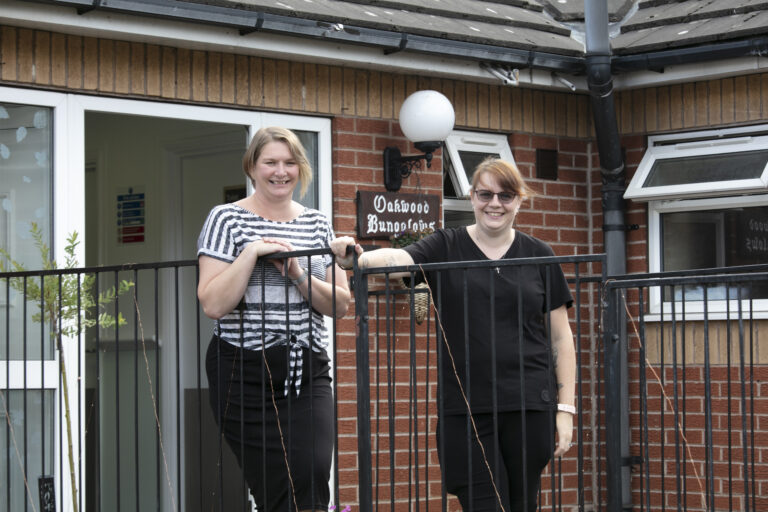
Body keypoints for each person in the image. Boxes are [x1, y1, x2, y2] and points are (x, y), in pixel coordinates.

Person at [332, 157, 576, 512]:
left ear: (519, 200)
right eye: (485, 194)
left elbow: (560, 339)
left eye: (506, 195)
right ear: (472, 197)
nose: (495, 203)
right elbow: (400, 260)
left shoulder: (540, 255)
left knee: (522, 504)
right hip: (465, 409)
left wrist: (565, 410)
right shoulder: (445, 246)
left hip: (528, 406)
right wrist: (357, 258)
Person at [197, 126, 351, 511]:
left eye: (289, 163)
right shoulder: (226, 219)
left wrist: (297, 273)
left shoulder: (317, 223)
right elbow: (213, 303)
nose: (281, 172)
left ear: (300, 169)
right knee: (275, 485)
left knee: (313, 472)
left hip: (307, 370)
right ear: (252, 167)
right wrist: (251, 254)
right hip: (242, 372)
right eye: (270, 162)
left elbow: (340, 305)